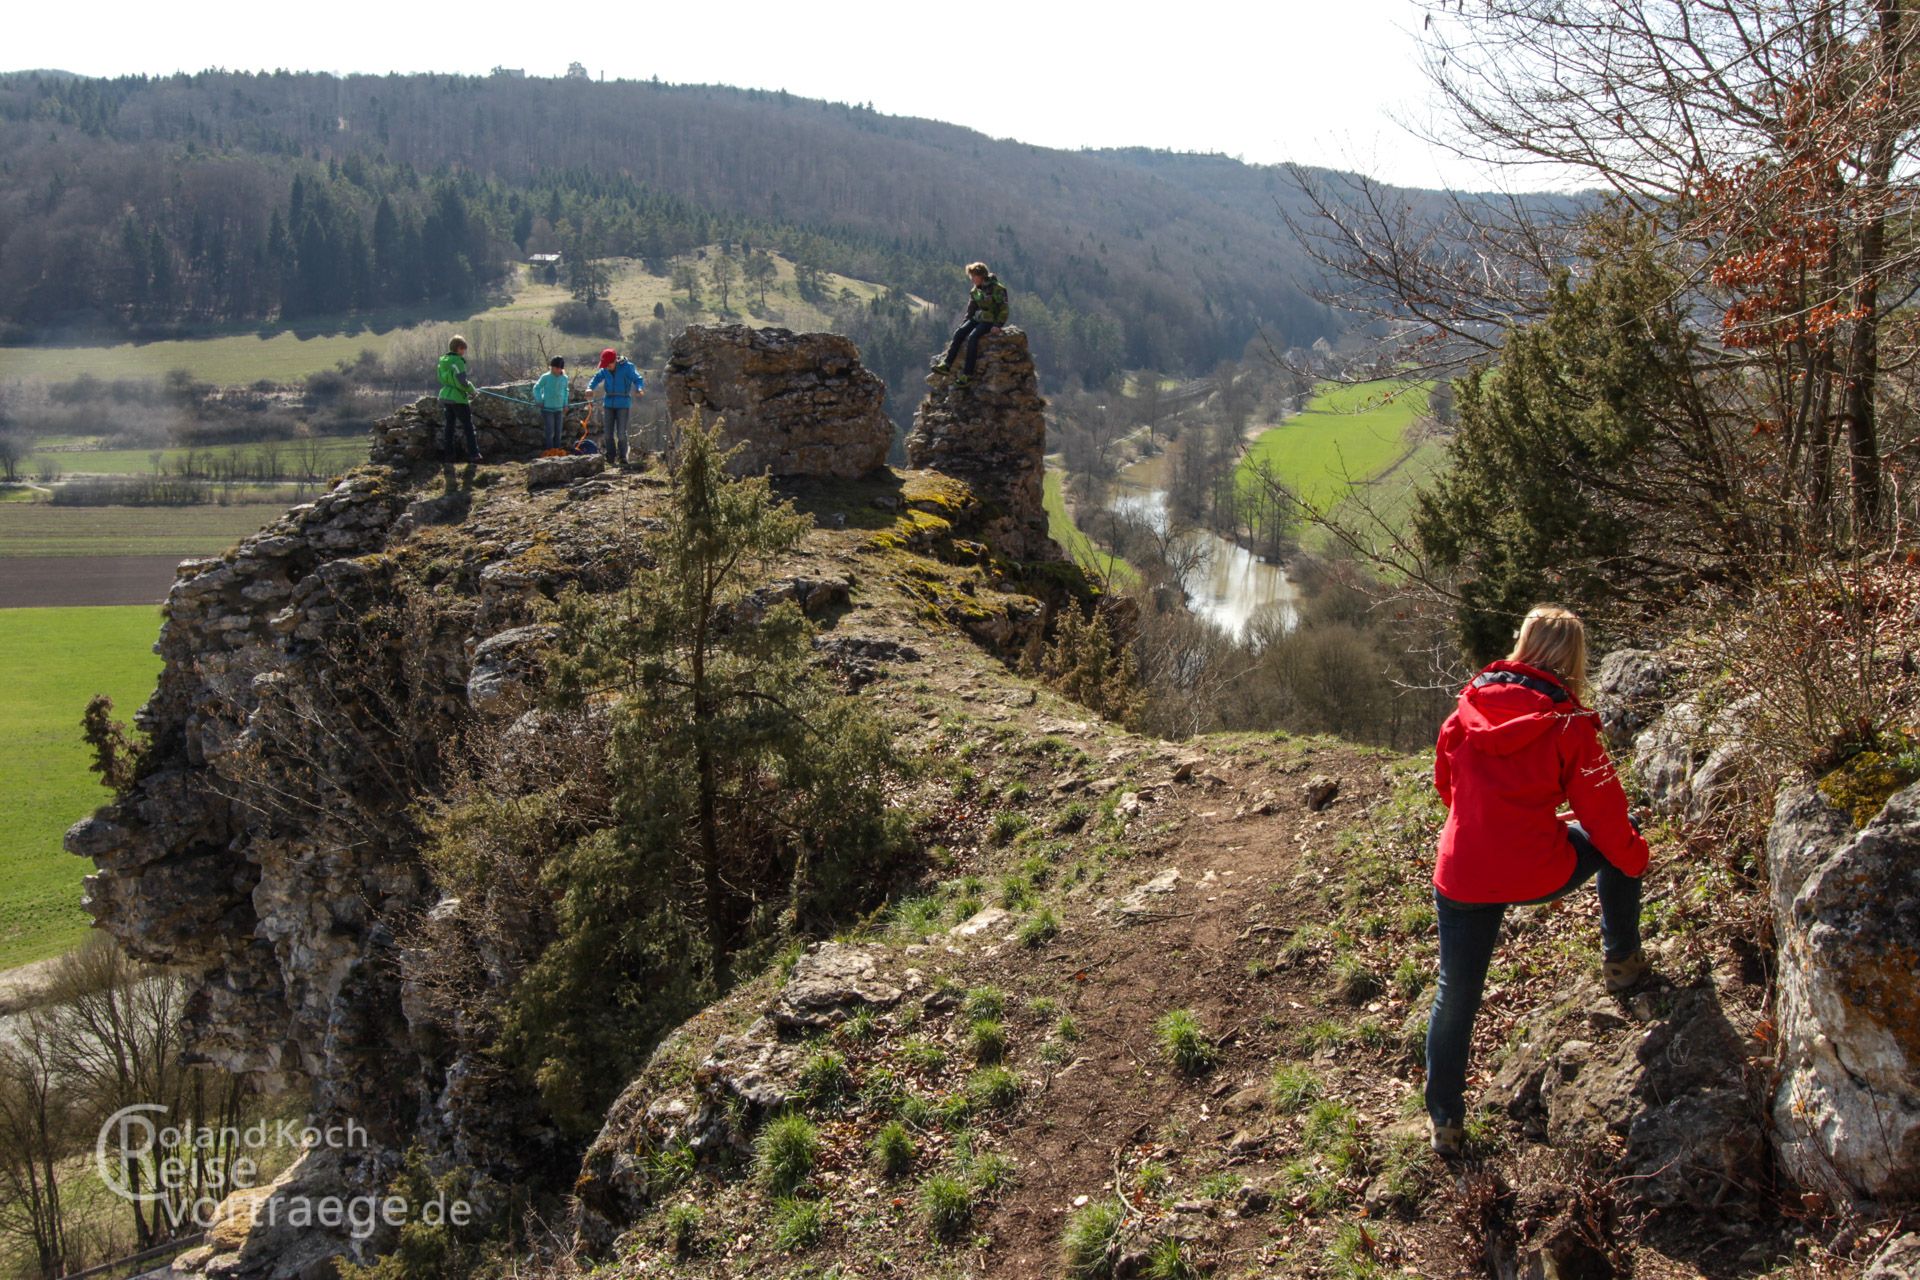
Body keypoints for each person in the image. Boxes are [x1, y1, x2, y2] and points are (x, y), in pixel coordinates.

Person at [1424, 605, 1651, 1159]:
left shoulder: (1466, 710)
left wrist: (1491, 821)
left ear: (1522, 645)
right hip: (1534, 869)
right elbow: (1605, 819)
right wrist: (1636, 859)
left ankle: (1446, 1120)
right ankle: (1622, 960)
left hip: (1462, 872)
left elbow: (1446, 787)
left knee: (1456, 992)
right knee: (1620, 844)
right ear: (1573, 659)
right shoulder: (1569, 726)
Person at [929, 262, 1009, 388]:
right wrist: (965, 323)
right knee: (959, 333)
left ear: (981, 275)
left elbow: (1004, 309)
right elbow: (971, 310)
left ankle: (967, 374)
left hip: (990, 321)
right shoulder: (975, 291)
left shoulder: (997, 289)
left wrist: (998, 325)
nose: (971, 279)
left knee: (973, 338)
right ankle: (947, 364)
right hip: (978, 318)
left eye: (973, 276)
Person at [588, 348, 645, 465]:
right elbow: (596, 378)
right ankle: (611, 456)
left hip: (623, 404)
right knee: (608, 434)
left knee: (621, 433)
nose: (606, 367)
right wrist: (590, 387)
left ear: (614, 361)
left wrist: (639, 388)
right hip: (608, 403)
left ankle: (623, 457)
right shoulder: (605, 369)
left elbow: (637, 378)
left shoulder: (627, 367)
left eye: (608, 364)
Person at [437, 336, 481, 463]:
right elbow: (462, 382)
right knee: (468, 426)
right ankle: (474, 454)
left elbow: (442, 378)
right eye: (463, 349)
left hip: (446, 396)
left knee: (449, 427)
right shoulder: (458, 361)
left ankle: (449, 455)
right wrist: (472, 390)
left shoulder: (443, 361)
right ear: (458, 348)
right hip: (457, 398)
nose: (464, 352)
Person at [532, 356, 572, 451]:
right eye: (556, 368)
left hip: (559, 409)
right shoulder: (545, 377)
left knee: (558, 431)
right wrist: (539, 400)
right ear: (551, 367)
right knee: (550, 431)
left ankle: (557, 450)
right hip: (547, 409)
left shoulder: (564, 378)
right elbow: (536, 388)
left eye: (560, 368)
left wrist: (565, 404)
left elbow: (566, 391)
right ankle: (549, 451)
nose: (558, 370)